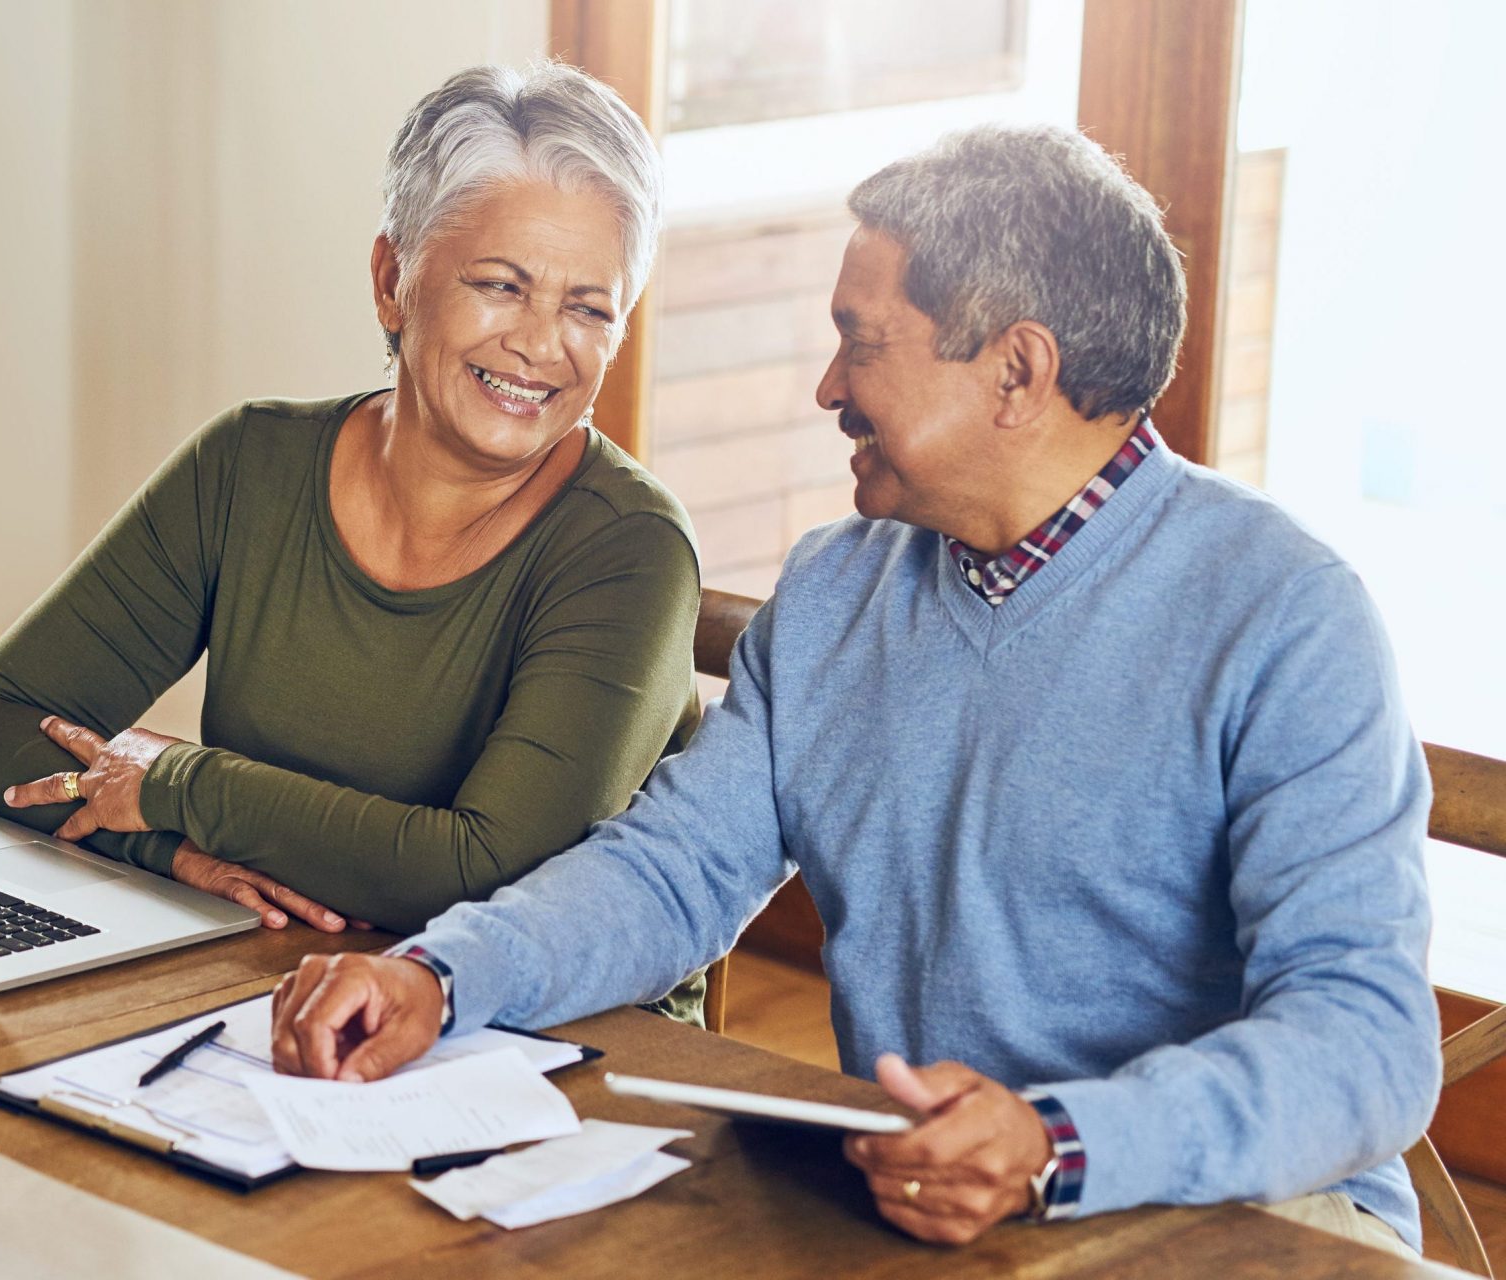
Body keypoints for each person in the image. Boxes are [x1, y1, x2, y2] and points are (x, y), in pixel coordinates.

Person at [269, 123, 1440, 1255]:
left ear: (1016, 370)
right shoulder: (836, 587)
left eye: (860, 340)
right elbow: (670, 870)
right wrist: (440, 972)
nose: (826, 385)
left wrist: (1053, 1145)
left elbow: (1368, 1045)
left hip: (1244, 1221)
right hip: (929, 1208)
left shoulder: (1285, 615)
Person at [0, 64, 710, 1016]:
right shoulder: (249, 465)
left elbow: (495, 872)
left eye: (589, 307)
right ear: (394, 280)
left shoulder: (631, 549)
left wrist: (182, 784)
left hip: (544, 1036)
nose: (541, 344)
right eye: (501, 286)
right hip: (273, 982)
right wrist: (162, 844)